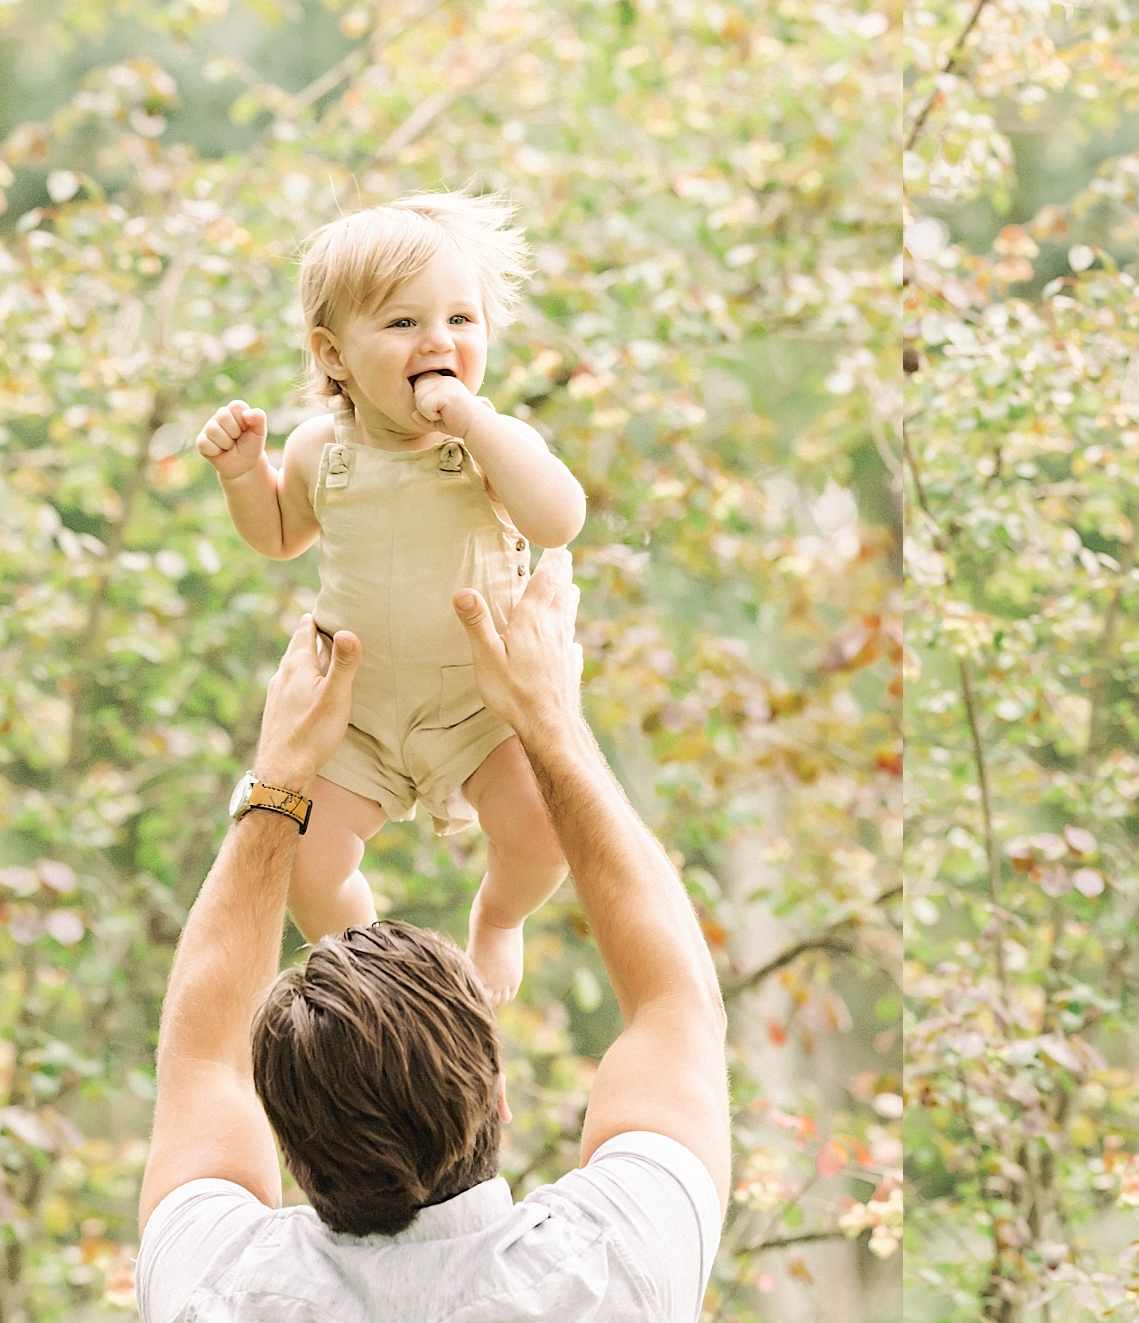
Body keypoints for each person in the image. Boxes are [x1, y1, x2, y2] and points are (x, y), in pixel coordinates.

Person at [134, 550, 729, 1322]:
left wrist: (279, 779)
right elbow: (678, 1004)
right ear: (500, 1093)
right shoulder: (614, 1272)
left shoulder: (212, 1292)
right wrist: (549, 718)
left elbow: (200, 1061)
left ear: (285, 1143)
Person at [195, 193, 586, 1002]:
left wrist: (477, 425)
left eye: (461, 320)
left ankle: (499, 918)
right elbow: (278, 534)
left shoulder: (489, 447)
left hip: (481, 710)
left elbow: (560, 517)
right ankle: (376, 975)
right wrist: (244, 476)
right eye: (403, 324)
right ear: (333, 354)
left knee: (547, 835)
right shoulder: (318, 452)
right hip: (357, 714)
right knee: (306, 862)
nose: (440, 341)